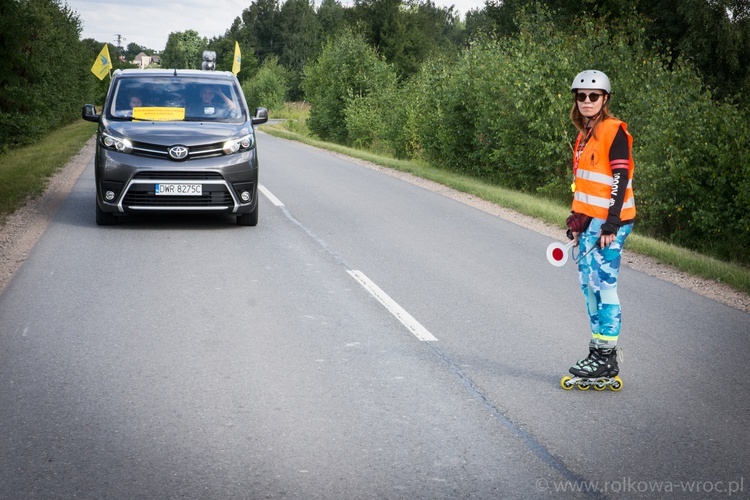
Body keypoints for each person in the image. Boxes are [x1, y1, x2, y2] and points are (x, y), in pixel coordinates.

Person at [565, 70, 636, 381]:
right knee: (588, 286)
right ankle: (598, 351)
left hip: (611, 223)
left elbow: (619, 179)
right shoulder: (584, 137)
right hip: (592, 222)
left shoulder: (612, 131)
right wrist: (577, 221)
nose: (587, 101)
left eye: (594, 96)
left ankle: (607, 357)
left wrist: (611, 223)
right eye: (581, 96)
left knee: (603, 285)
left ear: (605, 99)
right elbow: (587, 185)